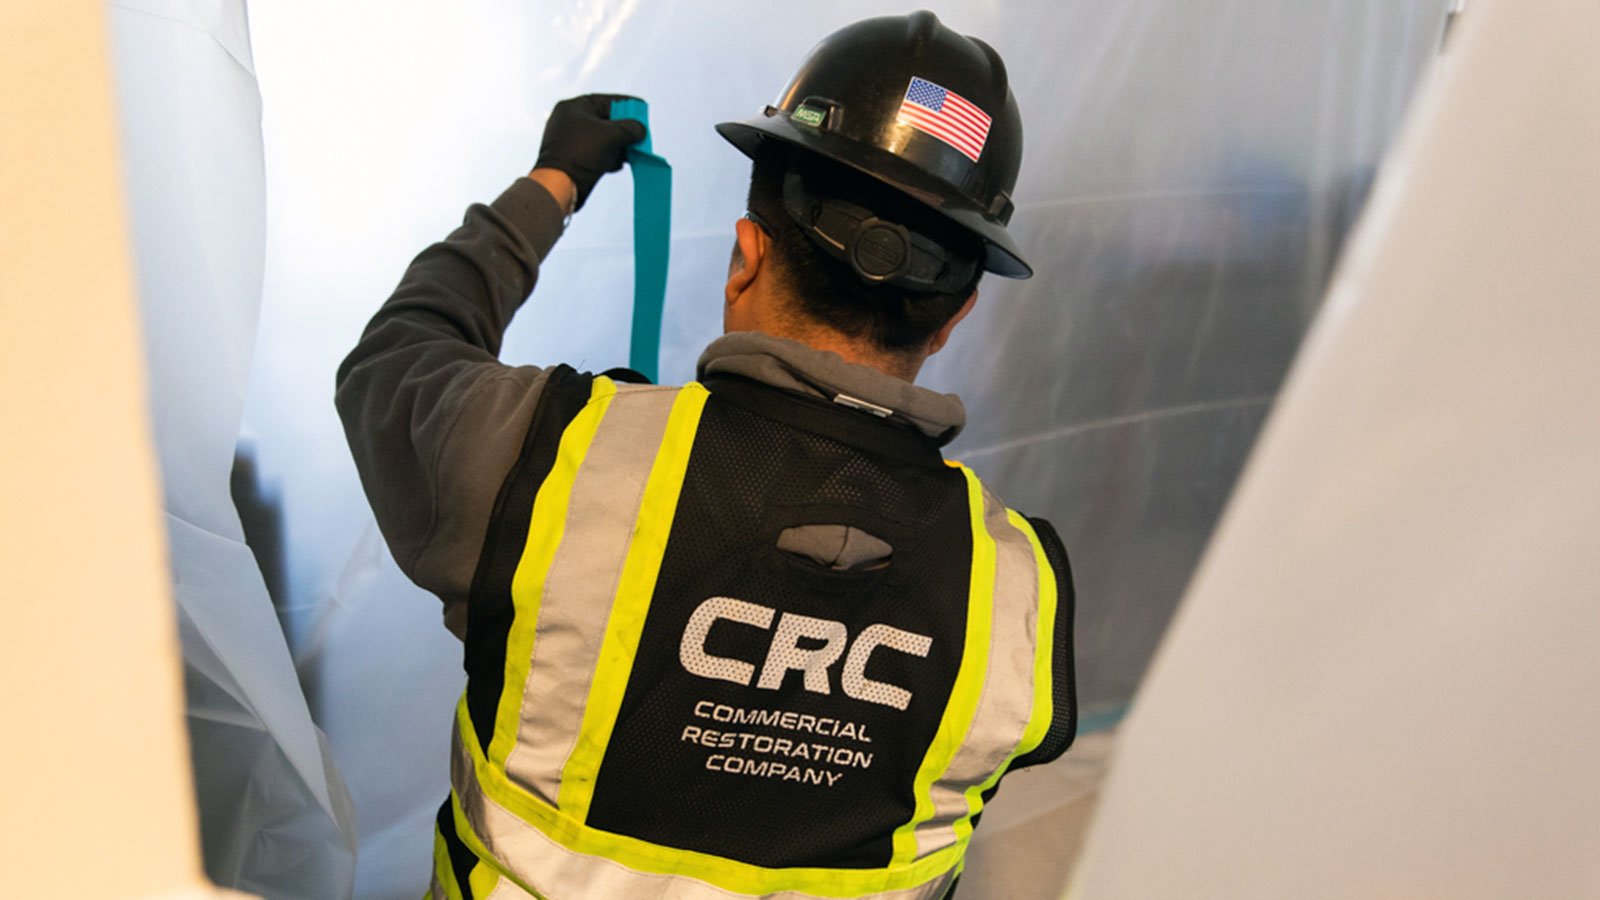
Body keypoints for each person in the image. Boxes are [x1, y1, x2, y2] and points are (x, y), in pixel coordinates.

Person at [337, 11, 1075, 899]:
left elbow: (394, 359)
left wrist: (554, 181)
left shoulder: (543, 462)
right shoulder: (1022, 598)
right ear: (955, 315)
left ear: (745, 256)